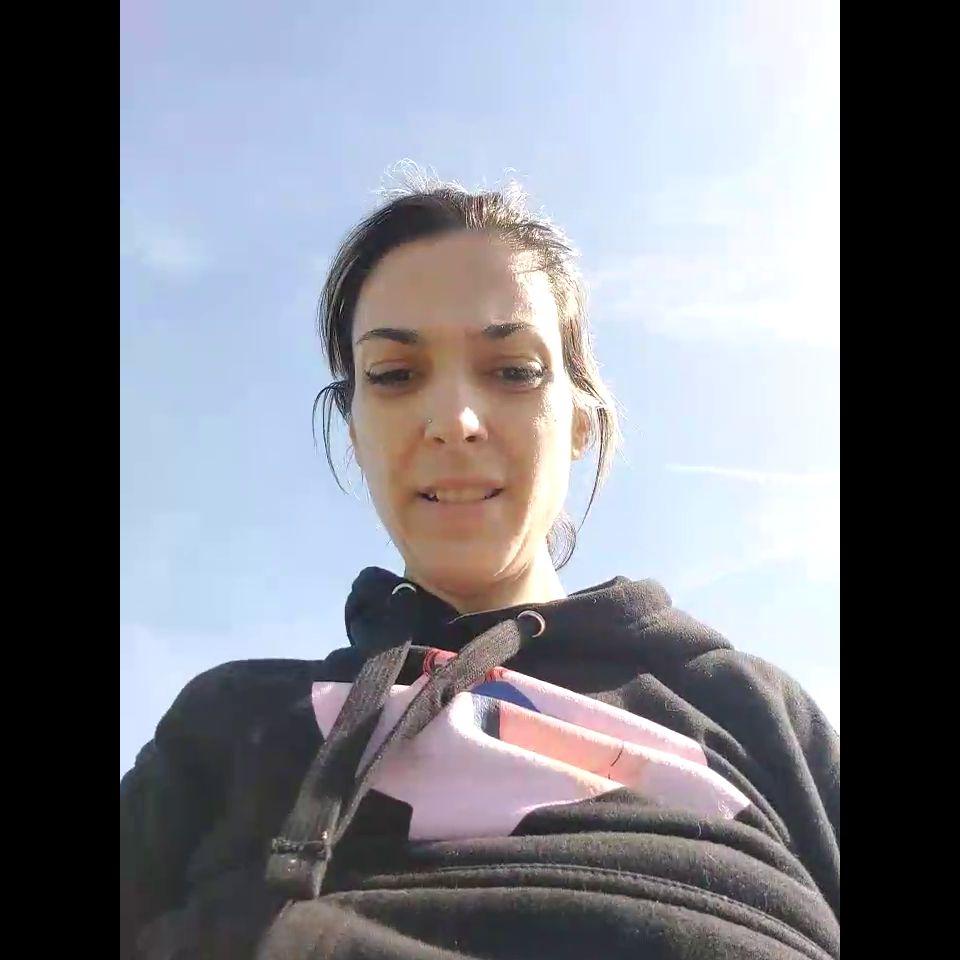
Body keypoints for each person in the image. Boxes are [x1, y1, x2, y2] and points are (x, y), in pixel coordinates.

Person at [120, 174, 840, 959]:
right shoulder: (228, 723)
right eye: (394, 375)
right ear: (355, 432)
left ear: (580, 421)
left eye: (513, 370)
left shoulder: (755, 712)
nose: (455, 421)